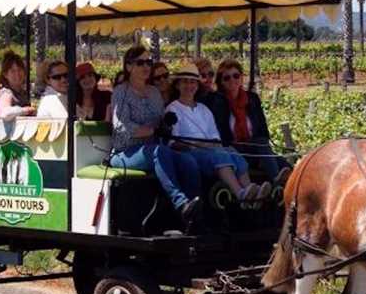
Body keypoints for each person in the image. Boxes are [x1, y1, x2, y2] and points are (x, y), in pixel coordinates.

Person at [110, 46, 201, 228]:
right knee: (158, 152)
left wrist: (167, 123)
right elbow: (122, 128)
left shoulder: (154, 92)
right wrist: (152, 130)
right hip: (124, 153)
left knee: (188, 161)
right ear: (128, 67)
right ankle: (180, 202)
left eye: (148, 62)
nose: (146, 66)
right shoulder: (120, 92)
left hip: (153, 149)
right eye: (140, 63)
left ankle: (194, 213)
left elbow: (161, 123)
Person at [166, 63, 270, 202]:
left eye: (192, 82)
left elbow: (214, 137)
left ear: (197, 86)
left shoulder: (204, 109)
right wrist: (197, 145)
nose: (189, 86)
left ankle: (250, 189)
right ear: (178, 85)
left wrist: (213, 145)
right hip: (190, 153)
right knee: (218, 155)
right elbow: (173, 142)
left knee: (231, 151)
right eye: (185, 82)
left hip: (210, 148)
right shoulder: (172, 109)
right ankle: (239, 193)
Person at [207, 58, 291, 185]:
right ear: (221, 82)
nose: (232, 80)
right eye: (227, 78)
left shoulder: (252, 99)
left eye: (236, 76)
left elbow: (263, 130)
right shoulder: (218, 102)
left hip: (257, 148)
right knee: (266, 152)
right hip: (233, 149)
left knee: (285, 165)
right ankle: (275, 182)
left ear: (241, 78)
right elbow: (221, 134)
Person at [0, 50, 36, 119]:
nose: (17, 74)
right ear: (5, 74)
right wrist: (25, 110)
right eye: (12, 71)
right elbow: (4, 113)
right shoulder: (6, 93)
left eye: (19, 70)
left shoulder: (23, 93)